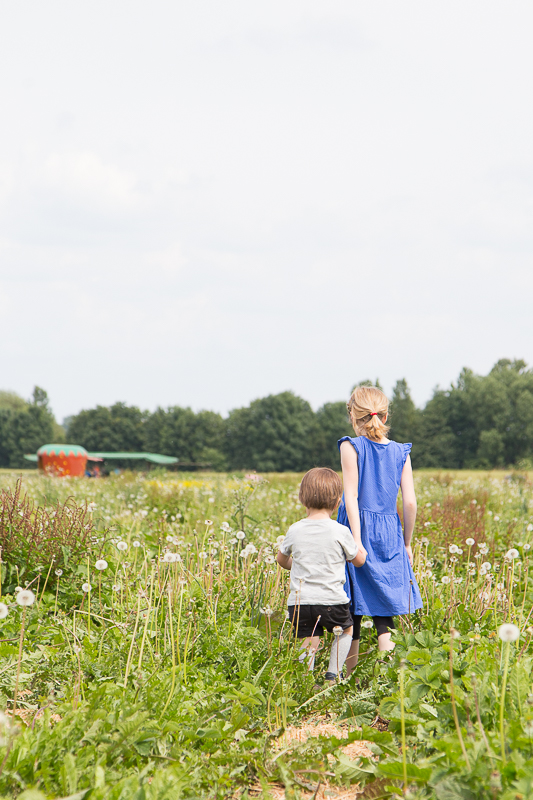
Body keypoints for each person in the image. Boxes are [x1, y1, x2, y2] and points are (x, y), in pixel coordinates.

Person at [337, 385, 422, 675]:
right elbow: (409, 502)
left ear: (353, 415)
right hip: (389, 532)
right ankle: (387, 680)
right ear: (384, 415)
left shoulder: (351, 446)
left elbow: (351, 497)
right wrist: (407, 543)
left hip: (355, 528)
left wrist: (356, 540)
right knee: (385, 609)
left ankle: (347, 680)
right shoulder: (401, 451)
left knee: (353, 608)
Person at [277, 467, 366, 683]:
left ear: (302, 499)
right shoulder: (339, 531)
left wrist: (296, 565)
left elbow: (281, 559)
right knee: (346, 630)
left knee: (309, 638)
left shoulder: (294, 529)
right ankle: (332, 674)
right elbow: (359, 560)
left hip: (300, 601)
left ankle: (305, 681)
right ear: (338, 502)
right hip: (331, 600)